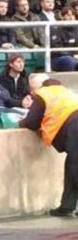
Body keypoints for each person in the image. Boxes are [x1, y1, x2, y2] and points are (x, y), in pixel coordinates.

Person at [20, 74, 78, 217]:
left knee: (75, 167)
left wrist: (21, 122)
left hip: (74, 128)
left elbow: (32, 122)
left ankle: (67, 207)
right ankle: (67, 206)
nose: (32, 93)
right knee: (72, 166)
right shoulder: (65, 90)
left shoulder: (43, 94)